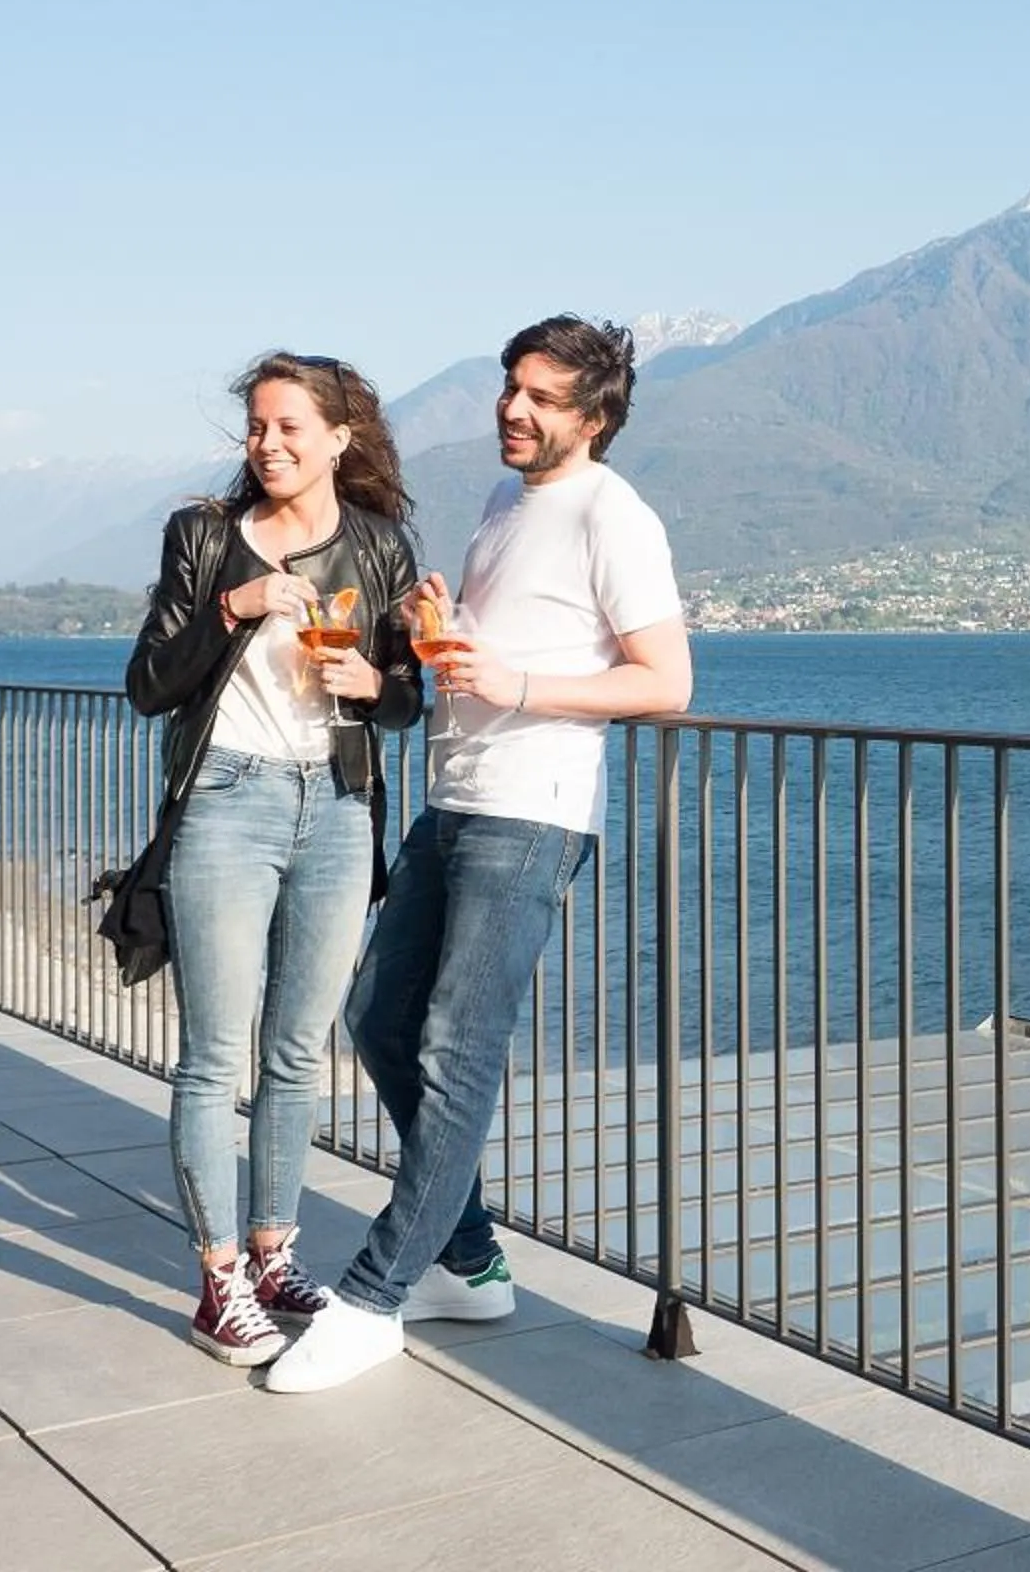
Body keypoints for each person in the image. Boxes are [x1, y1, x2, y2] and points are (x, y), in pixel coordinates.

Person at [268, 314, 692, 1392]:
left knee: (457, 1052)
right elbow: (497, 656)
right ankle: (468, 1260)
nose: (514, 407)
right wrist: (442, 628)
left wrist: (517, 684)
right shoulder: (508, 501)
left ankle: (373, 1298)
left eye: (542, 397)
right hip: (455, 799)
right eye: (512, 387)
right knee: (377, 1016)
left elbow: (666, 681)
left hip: (531, 813)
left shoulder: (614, 513)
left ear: (592, 419)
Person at [123, 352, 423, 1366]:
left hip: (338, 805)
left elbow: (406, 699)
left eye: (290, 425)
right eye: (258, 425)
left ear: (340, 438)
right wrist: (232, 609)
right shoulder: (206, 537)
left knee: (298, 1051)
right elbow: (150, 685)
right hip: (226, 800)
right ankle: (219, 1282)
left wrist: (374, 681)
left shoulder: (378, 545)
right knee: (214, 1055)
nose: (269, 443)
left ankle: (273, 1253)